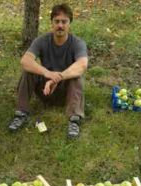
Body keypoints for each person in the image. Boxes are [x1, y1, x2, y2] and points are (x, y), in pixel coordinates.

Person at [8, 3, 88, 139]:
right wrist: (47, 73)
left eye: (64, 22)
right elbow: (25, 61)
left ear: (70, 24)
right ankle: (21, 113)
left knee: (76, 76)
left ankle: (74, 119)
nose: (60, 25)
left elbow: (82, 65)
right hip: (45, 90)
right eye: (57, 21)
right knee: (29, 71)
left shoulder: (77, 43)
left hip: (66, 93)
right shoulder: (42, 40)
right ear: (51, 23)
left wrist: (59, 77)